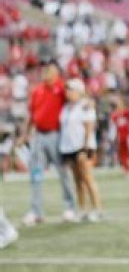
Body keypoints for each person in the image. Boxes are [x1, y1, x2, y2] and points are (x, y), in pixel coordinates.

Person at [17, 62, 77, 225]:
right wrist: (25, 134)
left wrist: (86, 102)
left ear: (56, 72)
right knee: (35, 174)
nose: (46, 72)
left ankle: (70, 207)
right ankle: (36, 211)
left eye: (49, 69)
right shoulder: (37, 90)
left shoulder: (62, 88)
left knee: (63, 172)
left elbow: (77, 97)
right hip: (39, 135)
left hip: (57, 135)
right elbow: (32, 115)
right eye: (44, 69)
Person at [59, 78, 103, 222]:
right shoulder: (66, 108)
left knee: (87, 178)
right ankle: (82, 209)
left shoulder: (85, 106)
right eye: (67, 90)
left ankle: (97, 209)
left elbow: (89, 127)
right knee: (77, 180)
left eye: (71, 89)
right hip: (69, 147)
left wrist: (84, 148)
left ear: (79, 91)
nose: (68, 92)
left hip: (82, 147)